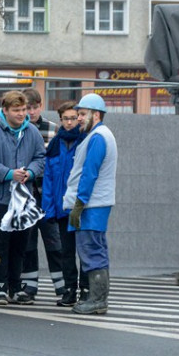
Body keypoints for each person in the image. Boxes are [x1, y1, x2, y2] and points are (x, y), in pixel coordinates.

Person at [0, 90, 45, 306]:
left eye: (23, 110)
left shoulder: (33, 133)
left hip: (24, 201)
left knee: (20, 245)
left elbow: (40, 157)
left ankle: (15, 286)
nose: (21, 114)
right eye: (16, 110)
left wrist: (30, 172)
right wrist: (9, 173)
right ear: (5, 111)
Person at [63, 93, 117, 315]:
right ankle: (99, 299)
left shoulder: (97, 138)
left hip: (90, 206)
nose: (79, 119)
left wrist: (79, 204)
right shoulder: (100, 135)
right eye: (78, 115)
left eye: (83, 114)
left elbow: (89, 174)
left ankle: (96, 300)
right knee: (97, 250)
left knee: (91, 251)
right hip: (95, 205)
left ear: (96, 114)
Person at [41, 101, 87, 306]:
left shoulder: (85, 140)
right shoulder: (54, 144)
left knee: (84, 250)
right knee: (66, 252)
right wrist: (49, 208)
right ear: (60, 120)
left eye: (72, 118)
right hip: (61, 208)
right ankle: (70, 291)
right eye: (65, 119)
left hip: (81, 207)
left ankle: (86, 291)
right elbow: (48, 178)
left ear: (79, 118)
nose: (69, 122)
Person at [20, 87, 63, 301]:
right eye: (27, 108)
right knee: (27, 243)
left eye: (34, 107)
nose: (31, 112)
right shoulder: (18, 130)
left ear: (40, 106)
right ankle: (29, 287)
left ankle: (62, 286)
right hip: (26, 196)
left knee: (54, 242)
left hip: (48, 196)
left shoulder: (53, 129)